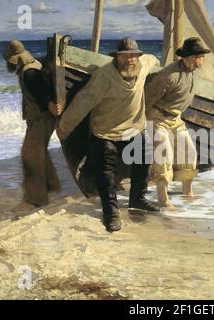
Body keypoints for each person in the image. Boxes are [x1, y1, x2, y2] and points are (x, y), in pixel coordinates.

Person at [55, 37, 160, 232]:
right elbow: (81, 104)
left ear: (138, 57)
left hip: (134, 128)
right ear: (117, 57)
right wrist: (63, 129)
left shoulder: (143, 65)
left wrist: (159, 63)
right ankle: (110, 212)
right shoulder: (104, 76)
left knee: (144, 161)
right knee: (106, 175)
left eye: (133, 56)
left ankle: (137, 199)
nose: (130, 60)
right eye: (124, 56)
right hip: (105, 132)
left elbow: (153, 58)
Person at [145, 37, 211, 209]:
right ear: (190, 57)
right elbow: (147, 99)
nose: (202, 60)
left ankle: (187, 192)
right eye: (200, 56)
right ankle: (163, 199)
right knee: (164, 154)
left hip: (176, 119)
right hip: (157, 117)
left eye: (202, 56)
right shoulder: (169, 76)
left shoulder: (196, 72)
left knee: (189, 152)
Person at [3, 40, 60, 211]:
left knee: (29, 156)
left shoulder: (29, 74)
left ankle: (35, 200)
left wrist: (51, 106)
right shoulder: (33, 64)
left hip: (41, 119)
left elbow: (45, 95)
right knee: (38, 151)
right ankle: (52, 186)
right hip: (39, 118)